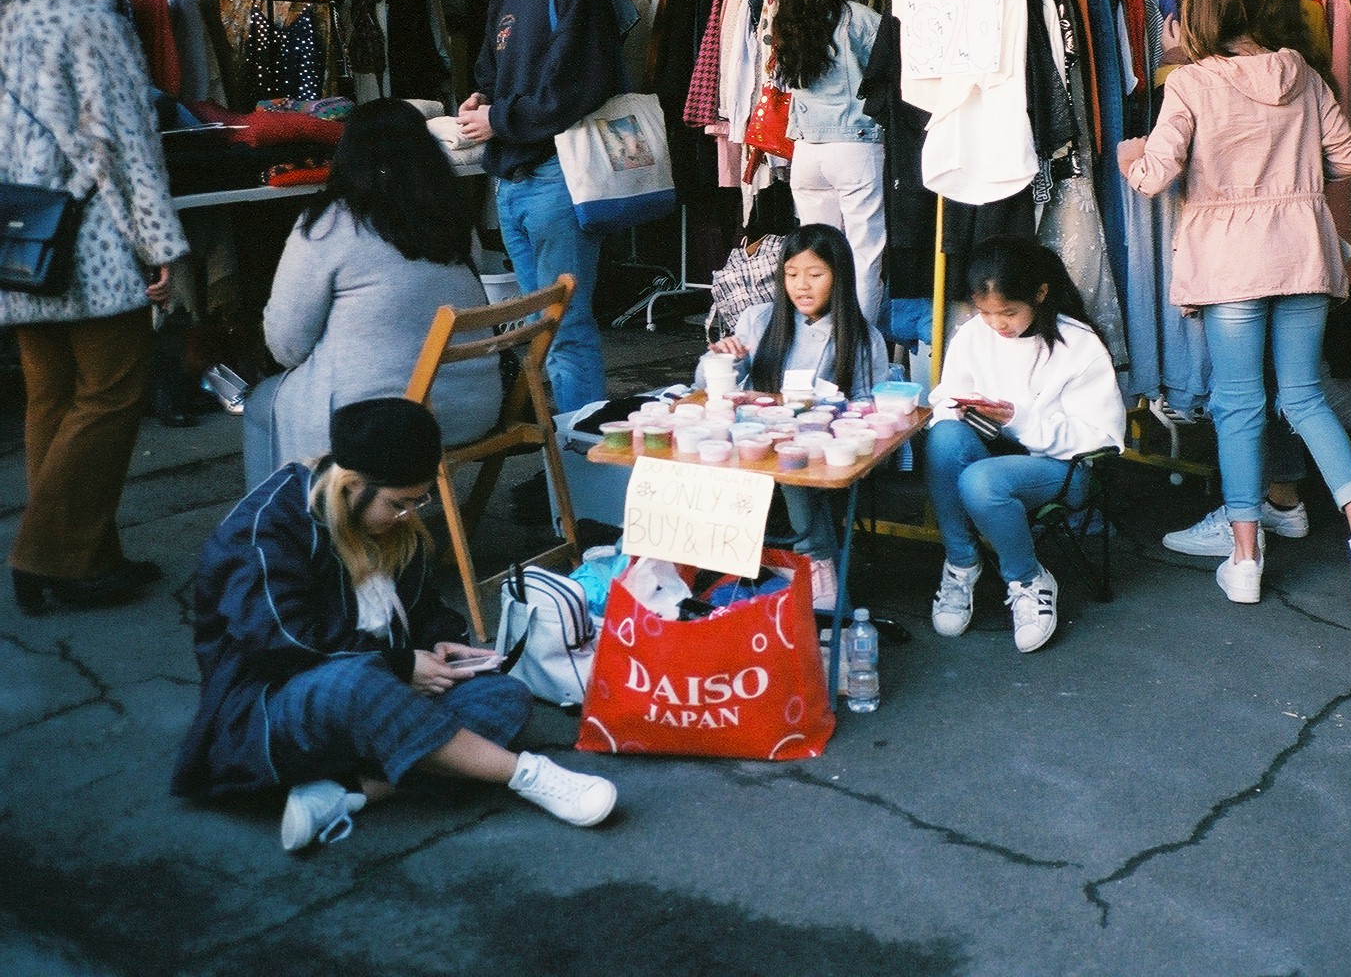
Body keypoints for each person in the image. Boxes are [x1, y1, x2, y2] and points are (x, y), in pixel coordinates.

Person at [173, 398, 618, 852]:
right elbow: (280, 640)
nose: (408, 514)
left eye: (418, 501)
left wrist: (440, 641)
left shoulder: (387, 524)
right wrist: (400, 665)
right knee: (354, 682)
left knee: (506, 694)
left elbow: (421, 612)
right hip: (270, 712)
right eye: (399, 503)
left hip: (380, 700)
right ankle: (527, 775)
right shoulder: (267, 527)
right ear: (351, 485)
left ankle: (348, 793)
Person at [1121, 0, 1351, 612]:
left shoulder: (1192, 84)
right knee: (1304, 397)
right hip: (1304, 253)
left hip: (1230, 265)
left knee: (1240, 405)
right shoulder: (1301, 72)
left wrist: (1130, 157)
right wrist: (1296, 185)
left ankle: (1245, 559)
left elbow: (1155, 175)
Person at [1, 0, 189, 614]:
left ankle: (91, 552)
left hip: (15, 237)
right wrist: (158, 242)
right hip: (86, 239)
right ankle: (47, 554)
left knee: (51, 392)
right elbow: (122, 142)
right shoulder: (85, 18)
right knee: (110, 391)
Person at [242, 98, 501, 490]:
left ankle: (274, 536)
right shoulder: (453, 217)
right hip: (475, 406)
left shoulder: (329, 224)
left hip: (386, 420)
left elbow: (287, 346)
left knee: (262, 402)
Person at [457, 0, 623, 418]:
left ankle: (581, 470)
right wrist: (481, 101)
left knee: (566, 328)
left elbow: (577, 89)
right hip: (510, 182)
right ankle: (561, 468)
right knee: (537, 331)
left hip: (558, 181)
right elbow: (490, 74)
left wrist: (499, 121)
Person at [925, 238, 1126, 653]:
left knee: (982, 481)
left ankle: (1028, 578)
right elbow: (947, 398)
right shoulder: (973, 334)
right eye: (986, 313)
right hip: (993, 453)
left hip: (1062, 469)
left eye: (1009, 312)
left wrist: (1018, 419)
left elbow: (1101, 438)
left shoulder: (1078, 344)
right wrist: (963, 412)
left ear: (1040, 293)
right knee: (943, 435)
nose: (997, 323)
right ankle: (962, 563)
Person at [702, 223, 888, 610]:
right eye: (791, 275)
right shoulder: (758, 319)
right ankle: (702, 570)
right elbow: (708, 387)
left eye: (815, 274)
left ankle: (816, 561)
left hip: (817, 452)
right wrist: (724, 359)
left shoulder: (861, 337)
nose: (802, 286)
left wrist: (825, 412)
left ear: (839, 277)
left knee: (794, 460)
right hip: (753, 440)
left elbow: (869, 409)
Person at [771, 0, 887, 329]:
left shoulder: (785, 21)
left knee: (815, 262)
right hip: (854, 148)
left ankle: (817, 342)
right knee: (864, 256)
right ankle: (860, 348)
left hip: (807, 153)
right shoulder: (861, 20)